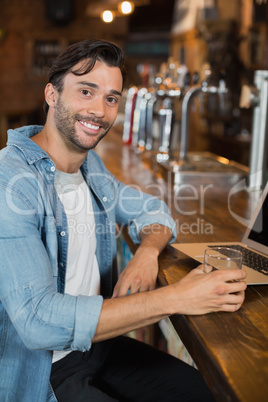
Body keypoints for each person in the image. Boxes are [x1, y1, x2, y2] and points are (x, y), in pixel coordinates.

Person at [0, 39, 247, 402]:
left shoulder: (90, 167)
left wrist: (147, 251)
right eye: (86, 91)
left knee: (206, 394)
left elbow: (154, 212)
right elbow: (38, 321)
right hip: (43, 372)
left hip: (98, 348)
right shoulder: (11, 181)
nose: (99, 110)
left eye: (111, 98)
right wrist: (176, 298)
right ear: (52, 95)